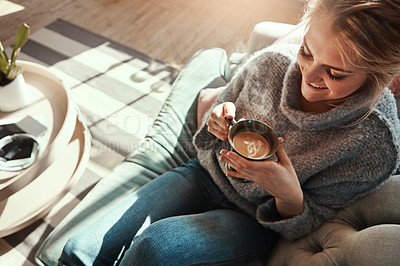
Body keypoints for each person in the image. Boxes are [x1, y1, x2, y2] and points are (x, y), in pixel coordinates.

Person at [59, 0, 400, 265]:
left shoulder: (374, 145)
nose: (309, 75)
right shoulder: (271, 64)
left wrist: (287, 194)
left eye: (336, 73)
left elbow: (305, 225)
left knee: (156, 246)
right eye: (307, 52)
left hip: (253, 219)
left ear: (379, 75)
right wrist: (216, 119)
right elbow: (211, 130)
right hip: (203, 174)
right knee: (79, 251)